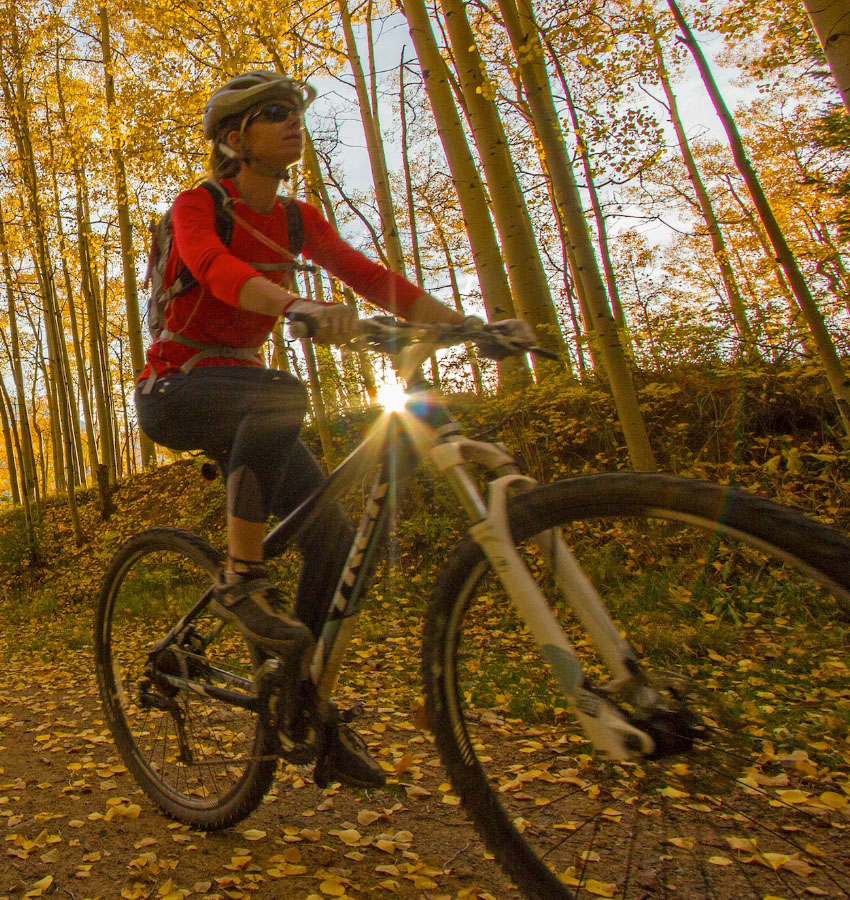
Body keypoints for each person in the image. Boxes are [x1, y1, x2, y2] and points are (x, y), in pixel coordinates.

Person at [135, 71, 532, 788]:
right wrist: (295, 306)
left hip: (245, 399)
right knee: (282, 393)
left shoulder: (297, 220)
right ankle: (241, 579)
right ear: (234, 139)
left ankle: (303, 707)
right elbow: (213, 269)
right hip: (177, 387)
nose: (294, 124)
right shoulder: (199, 206)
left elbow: (369, 277)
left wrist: (469, 324)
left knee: (332, 535)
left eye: (296, 115)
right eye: (276, 114)